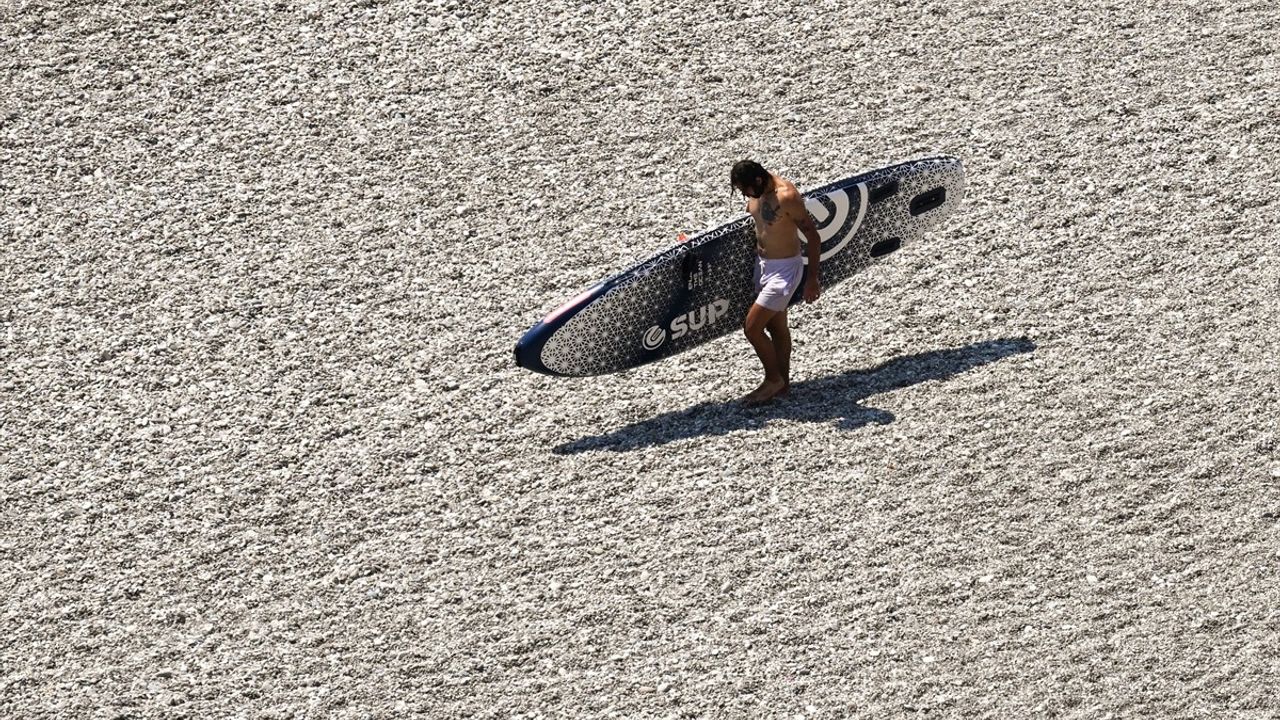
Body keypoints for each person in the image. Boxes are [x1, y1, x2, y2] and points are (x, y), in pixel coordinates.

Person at [730, 160, 822, 406]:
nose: (744, 195)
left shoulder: (787, 197)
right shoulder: (758, 190)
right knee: (776, 328)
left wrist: (811, 278)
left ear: (758, 181)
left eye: (745, 190)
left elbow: (813, 235)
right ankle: (784, 384)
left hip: (784, 271)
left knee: (752, 328)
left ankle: (772, 380)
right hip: (762, 266)